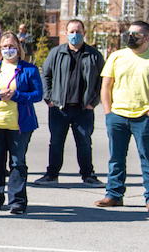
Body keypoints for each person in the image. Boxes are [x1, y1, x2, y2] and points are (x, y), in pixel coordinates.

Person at [96, 20, 149, 211]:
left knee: (148, 157)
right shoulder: (116, 56)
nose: (130, 37)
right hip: (117, 116)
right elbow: (106, 86)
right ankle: (113, 194)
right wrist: (108, 111)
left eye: (135, 34)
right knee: (116, 157)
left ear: (146, 38)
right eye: (129, 33)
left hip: (145, 118)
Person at [0, 32, 43, 214]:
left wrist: (17, 95)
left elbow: (38, 94)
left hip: (19, 125)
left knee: (17, 163)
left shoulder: (29, 69)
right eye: (4, 46)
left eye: (12, 46)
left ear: (18, 48)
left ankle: (17, 201)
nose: (8, 49)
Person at [36, 19, 105, 186]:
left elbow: (102, 81)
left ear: (84, 33)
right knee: (56, 143)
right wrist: (49, 98)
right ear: (66, 33)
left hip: (83, 109)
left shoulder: (94, 55)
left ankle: (88, 175)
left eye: (78, 31)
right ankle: (52, 174)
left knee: (84, 143)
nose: (75, 34)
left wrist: (93, 102)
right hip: (59, 108)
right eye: (72, 31)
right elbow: (45, 75)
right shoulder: (56, 53)